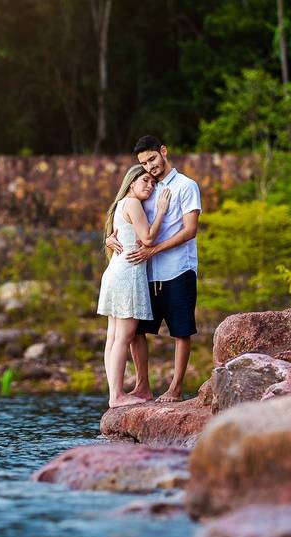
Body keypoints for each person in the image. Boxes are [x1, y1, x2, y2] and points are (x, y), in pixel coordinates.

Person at [106, 135, 201, 403]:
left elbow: (190, 230)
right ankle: (143, 386)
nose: (150, 167)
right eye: (144, 163)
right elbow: (125, 219)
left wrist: (153, 250)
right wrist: (110, 238)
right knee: (136, 332)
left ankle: (175, 388)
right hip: (144, 273)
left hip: (177, 270)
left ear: (164, 152)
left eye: (152, 159)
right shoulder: (144, 187)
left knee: (181, 331)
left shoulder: (186, 186)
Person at [97, 164, 171, 408]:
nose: (150, 186)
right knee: (125, 336)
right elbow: (148, 238)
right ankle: (117, 395)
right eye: (145, 182)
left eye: (152, 183)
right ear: (131, 183)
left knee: (114, 336)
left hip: (117, 272)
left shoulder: (120, 205)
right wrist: (161, 211)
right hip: (128, 273)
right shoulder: (132, 203)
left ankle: (113, 394)